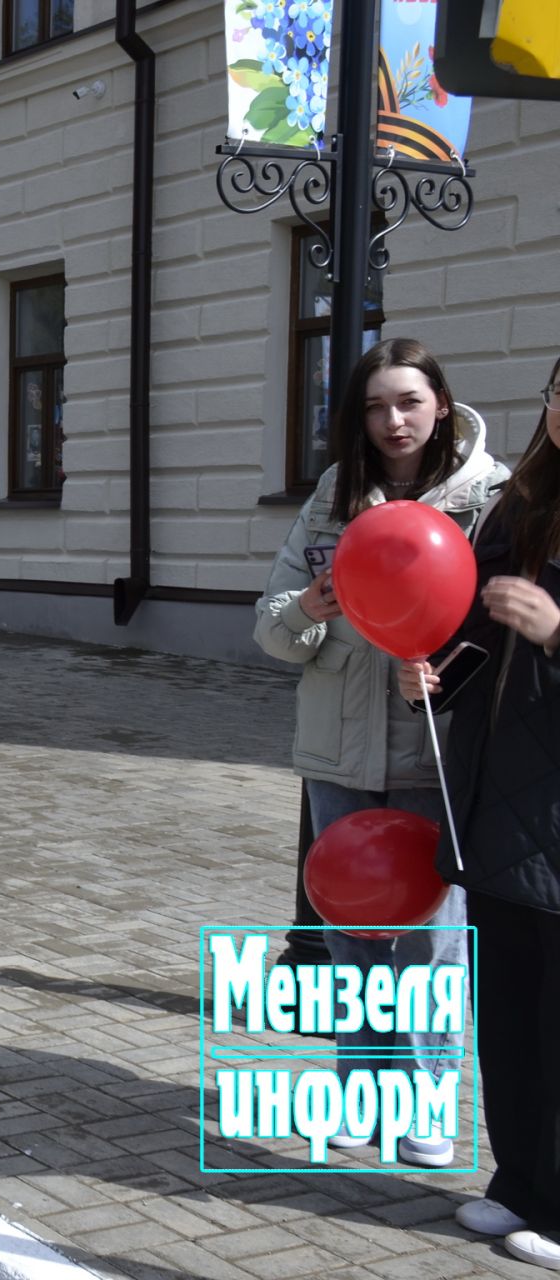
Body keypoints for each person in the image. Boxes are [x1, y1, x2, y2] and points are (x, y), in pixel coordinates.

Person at [254, 338, 505, 1165]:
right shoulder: (335, 494)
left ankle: (430, 1101)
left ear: (440, 404)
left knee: (434, 935)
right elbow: (271, 629)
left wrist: (445, 671)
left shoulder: (489, 500)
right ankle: (364, 1093)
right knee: (353, 928)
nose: (393, 420)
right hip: (337, 751)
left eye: (409, 401)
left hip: (438, 757)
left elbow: (505, 637)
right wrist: (311, 606)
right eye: (374, 405)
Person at [400, 355, 560, 1266]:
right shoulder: (520, 501)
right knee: (506, 1013)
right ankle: (521, 1184)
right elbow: (476, 629)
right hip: (496, 802)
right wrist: (436, 675)